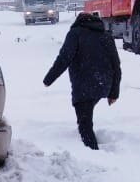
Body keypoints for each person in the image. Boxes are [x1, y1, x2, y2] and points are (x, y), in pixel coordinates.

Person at [43, 12, 121, 150]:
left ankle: (93, 154)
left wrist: (48, 79)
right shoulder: (106, 36)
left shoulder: (75, 33)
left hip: (84, 86)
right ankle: (92, 149)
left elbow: (64, 58)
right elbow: (116, 65)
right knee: (86, 118)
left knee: (85, 124)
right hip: (103, 83)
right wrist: (113, 92)